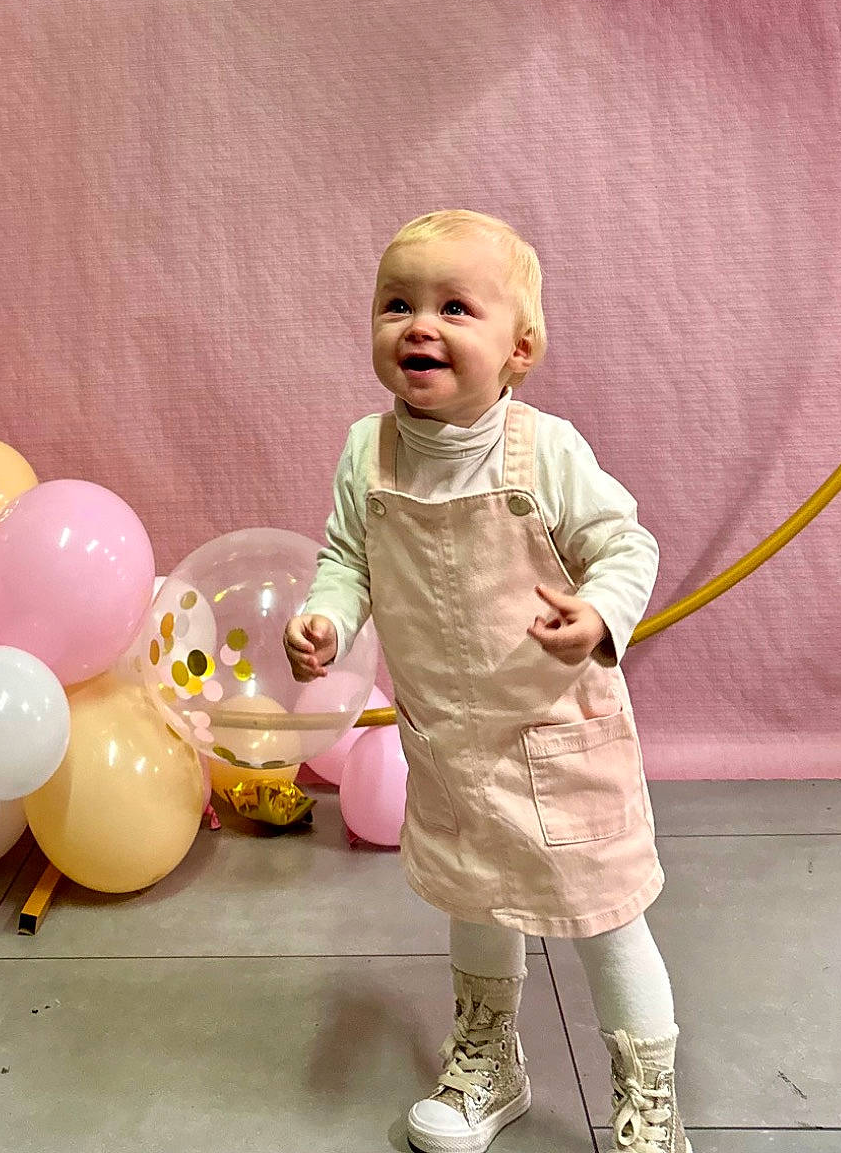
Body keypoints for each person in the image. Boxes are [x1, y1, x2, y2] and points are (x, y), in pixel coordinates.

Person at [285, 209, 688, 1153]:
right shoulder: (366, 453)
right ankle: (489, 1058)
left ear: (519, 350)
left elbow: (624, 544)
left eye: (455, 307)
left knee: (605, 914)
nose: (419, 325)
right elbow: (350, 558)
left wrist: (599, 614)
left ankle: (648, 1103)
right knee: (473, 896)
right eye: (397, 304)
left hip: (557, 735)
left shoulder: (543, 451)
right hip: (450, 738)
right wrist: (328, 618)